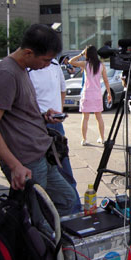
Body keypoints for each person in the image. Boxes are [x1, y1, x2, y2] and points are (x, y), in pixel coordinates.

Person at [0, 24, 78, 216]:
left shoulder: (22, 69)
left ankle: (52, 243)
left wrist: (43, 117)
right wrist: (14, 165)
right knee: (35, 217)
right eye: (45, 60)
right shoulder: (6, 73)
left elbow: (18, 114)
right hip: (26, 161)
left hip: (41, 154)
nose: (47, 65)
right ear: (28, 52)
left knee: (68, 200)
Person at [29, 58, 82, 213]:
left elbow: (62, 89)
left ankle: (75, 211)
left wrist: (58, 110)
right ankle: (43, 217)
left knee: (64, 169)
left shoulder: (54, 64)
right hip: (35, 128)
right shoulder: (26, 67)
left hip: (55, 125)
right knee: (38, 177)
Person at [69, 46, 112, 146]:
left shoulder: (85, 64)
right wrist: (109, 93)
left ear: (87, 54)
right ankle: (102, 138)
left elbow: (71, 61)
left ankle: (84, 139)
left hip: (87, 93)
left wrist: (81, 54)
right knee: (99, 117)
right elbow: (106, 80)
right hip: (97, 93)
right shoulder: (101, 65)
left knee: (85, 117)